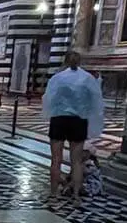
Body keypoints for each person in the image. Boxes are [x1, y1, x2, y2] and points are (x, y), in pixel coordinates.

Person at [42, 50, 105, 203]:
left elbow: (49, 98)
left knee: (55, 159)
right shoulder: (87, 79)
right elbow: (96, 101)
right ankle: (76, 194)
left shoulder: (58, 78)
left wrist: (51, 112)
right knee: (76, 161)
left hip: (59, 119)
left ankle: (53, 192)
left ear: (65, 61)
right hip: (78, 121)